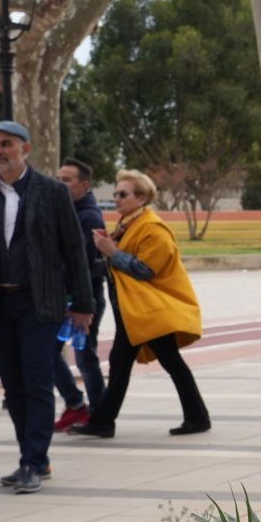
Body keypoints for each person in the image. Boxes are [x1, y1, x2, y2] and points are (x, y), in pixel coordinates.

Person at [0, 121, 94, 493]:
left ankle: (31, 461)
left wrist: (83, 303)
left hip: (39, 303)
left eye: (7, 144)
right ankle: (35, 457)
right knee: (13, 388)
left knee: (36, 384)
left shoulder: (51, 192)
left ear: (25, 149)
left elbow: (74, 252)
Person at [68, 170, 209, 438]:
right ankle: (104, 421)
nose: (117, 199)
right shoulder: (128, 225)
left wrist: (112, 252)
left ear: (142, 198)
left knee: (163, 362)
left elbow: (145, 269)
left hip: (151, 311)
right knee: (124, 363)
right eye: (116, 194)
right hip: (136, 311)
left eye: (123, 194)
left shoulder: (151, 228)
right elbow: (117, 267)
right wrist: (105, 252)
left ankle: (196, 416)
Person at [51, 159, 108, 430]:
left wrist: (74, 301)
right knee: (66, 354)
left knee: (84, 357)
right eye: (58, 178)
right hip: (70, 298)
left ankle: (95, 414)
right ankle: (80, 406)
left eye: (67, 180)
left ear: (84, 185)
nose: (59, 184)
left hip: (82, 299)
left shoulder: (88, 217)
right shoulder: (69, 211)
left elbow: (79, 262)